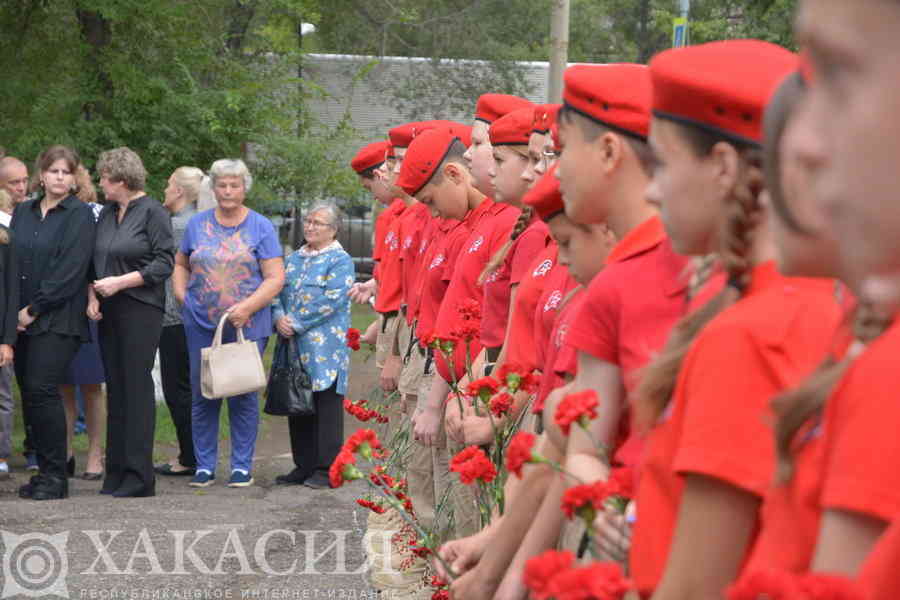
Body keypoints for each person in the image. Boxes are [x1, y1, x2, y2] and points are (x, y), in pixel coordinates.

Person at [173, 158, 284, 489]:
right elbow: (180, 263)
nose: (228, 191)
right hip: (201, 323)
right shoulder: (196, 225)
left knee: (242, 393)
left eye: (234, 185)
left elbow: (275, 277)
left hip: (246, 325)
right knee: (203, 393)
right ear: (213, 188)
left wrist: (248, 307)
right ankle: (204, 465)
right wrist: (182, 296)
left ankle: (241, 466)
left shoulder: (261, 226)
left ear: (244, 187)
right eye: (222, 185)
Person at [90, 147, 174, 498]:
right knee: (116, 388)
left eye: (104, 178)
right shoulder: (108, 213)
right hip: (109, 309)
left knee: (136, 389)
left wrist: (121, 282)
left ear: (121, 181)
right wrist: (93, 296)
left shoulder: (153, 212)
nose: (99, 184)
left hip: (141, 307)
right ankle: (117, 473)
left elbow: (163, 263)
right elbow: (95, 258)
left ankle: (140, 477)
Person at [12, 145, 95, 501]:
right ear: (41, 175)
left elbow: (70, 272)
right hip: (19, 321)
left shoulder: (79, 216)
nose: (60, 177)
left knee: (43, 389)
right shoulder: (24, 212)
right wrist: (12, 316)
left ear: (74, 178)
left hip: (58, 319)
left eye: (66, 172)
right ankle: (44, 471)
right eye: (54, 171)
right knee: (31, 394)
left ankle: (56, 477)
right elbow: (14, 266)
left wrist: (33, 309)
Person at [273, 202, 354, 489]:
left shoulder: (340, 260)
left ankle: (327, 468)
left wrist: (294, 321)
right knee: (299, 403)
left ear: (333, 230)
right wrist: (279, 316)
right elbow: (276, 290)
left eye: (317, 223)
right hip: (294, 345)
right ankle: (303, 464)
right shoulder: (294, 258)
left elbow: (333, 299)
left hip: (326, 347)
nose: (309, 226)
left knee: (325, 405)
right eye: (308, 221)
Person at [154, 166, 202, 478]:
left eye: (169, 185)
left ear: (180, 191)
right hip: (193, 317)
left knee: (178, 388)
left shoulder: (178, 226)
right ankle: (197, 453)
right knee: (193, 387)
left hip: (175, 317)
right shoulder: (200, 222)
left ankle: (190, 456)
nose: (165, 190)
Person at [60, 165, 106, 481]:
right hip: (57, 306)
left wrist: (93, 297)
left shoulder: (96, 213)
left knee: (91, 385)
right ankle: (63, 453)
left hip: (90, 307)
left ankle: (95, 453)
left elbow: (97, 260)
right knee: (61, 384)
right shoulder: (42, 212)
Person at [0, 155, 34, 473]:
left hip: (33, 314)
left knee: (33, 385)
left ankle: (31, 449)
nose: (22, 188)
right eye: (14, 183)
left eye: (25, 180)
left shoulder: (37, 213)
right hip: (7, 316)